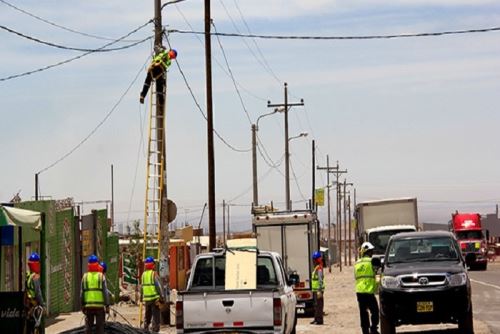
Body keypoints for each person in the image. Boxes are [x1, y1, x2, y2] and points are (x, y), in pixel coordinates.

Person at [354, 242, 380, 334]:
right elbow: (378, 275)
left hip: (360, 292)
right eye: (371, 251)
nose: (372, 253)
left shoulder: (356, 263)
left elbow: (356, 277)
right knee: (375, 311)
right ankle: (373, 329)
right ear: (368, 252)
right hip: (369, 291)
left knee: (363, 313)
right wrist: (378, 287)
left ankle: (365, 331)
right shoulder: (372, 261)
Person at [81, 254, 109, 334]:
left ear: (88, 265)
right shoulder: (101, 276)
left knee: (89, 328)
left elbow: (81, 293)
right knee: (100, 328)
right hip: (99, 307)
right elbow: (105, 292)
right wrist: (107, 305)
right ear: (97, 265)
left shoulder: (85, 277)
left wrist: (82, 305)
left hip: (88, 306)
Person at [141, 256, 164, 333]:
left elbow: (142, 287)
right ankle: (155, 331)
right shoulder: (153, 274)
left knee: (147, 316)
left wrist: (141, 298)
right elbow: (158, 287)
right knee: (156, 317)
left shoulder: (143, 275)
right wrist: (162, 297)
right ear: (153, 265)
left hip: (147, 300)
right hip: (154, 299)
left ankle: (145, 329)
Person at [24, 252, 45, 334]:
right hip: (35, 305)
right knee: (37, 326)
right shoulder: (35, 277)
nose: (39, 265)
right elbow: (38, 292)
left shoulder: (28, 276)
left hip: (28, 305)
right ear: (35, 265)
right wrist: (43, 304)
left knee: (29, 326)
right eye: (38, 263)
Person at [310, 251, 324, 325]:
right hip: (315, 290)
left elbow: (320, 279)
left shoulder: (319, 268)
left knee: (319, 305)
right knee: (316, 305)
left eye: (314, 260)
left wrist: (319, 290)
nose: (313, 261)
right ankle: (316, 319)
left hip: (318, 290)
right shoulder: (316, 267)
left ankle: (319, 320)